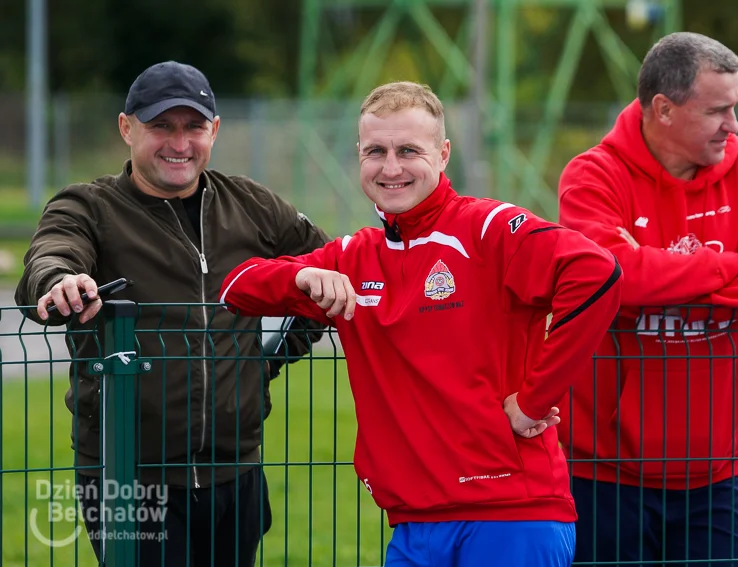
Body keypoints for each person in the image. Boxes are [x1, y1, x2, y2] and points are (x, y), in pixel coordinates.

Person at [218, 81, 622, 566]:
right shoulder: (352, 257)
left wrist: (535, 400)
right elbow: (235, 288)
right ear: (359, 157)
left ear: (443, 153)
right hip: (413, 525)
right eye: (376, 152)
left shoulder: (488, 228)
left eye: (408, 150)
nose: (391, 168)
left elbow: (597, 272)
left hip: (511, 516)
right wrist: (302, 274)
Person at [15, 61, 329, 566]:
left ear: (215, 131)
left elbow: (332, 270)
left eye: (194, 127)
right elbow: (52, 252)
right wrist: (60, 281)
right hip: (126, 472)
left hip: (237, 471)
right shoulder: (90, 206)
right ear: (127, 128)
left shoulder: (251, 204)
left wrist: (266, 359)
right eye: (161, 126)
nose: (179, 143)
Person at [556, 32, 738, 566]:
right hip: (604, 473)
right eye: (718, 111)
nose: (734, 125)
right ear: (663, 109)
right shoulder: (593, 176)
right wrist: (735, 266)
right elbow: (614, 279)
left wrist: (656, 271)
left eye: (735, 107)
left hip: (718, 471)